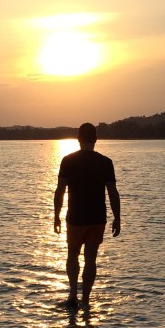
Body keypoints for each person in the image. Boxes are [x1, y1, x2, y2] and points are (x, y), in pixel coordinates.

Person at [54, 122, 121, 308]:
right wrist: (118, 218)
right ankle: (86, 300)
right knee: (91, 259)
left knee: (72, 256)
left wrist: (56, 216)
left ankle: (73, 294)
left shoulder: (67, 161)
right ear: (96, 139)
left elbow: (59, 191)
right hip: (97, 218)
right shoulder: (105, 162)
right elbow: (113, 193)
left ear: (78, 139)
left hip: (75, 217)